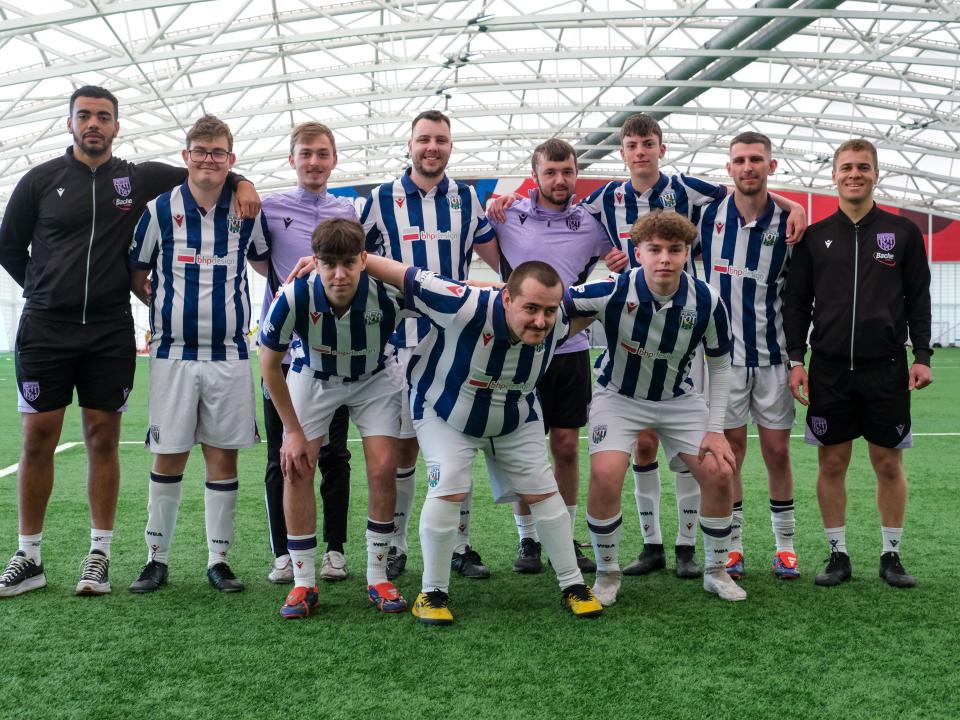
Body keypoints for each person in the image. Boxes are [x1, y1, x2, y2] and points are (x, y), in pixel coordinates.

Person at [0, 86, 258, 598]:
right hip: (46, 329)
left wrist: (246, 178)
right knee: (36, 440)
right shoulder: (41, 178)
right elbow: (9, 245)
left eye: (103, 117)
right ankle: (29, 555)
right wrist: (47, 289)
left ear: (117, 126)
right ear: (69, 122)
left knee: (101, 439)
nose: (93, 124)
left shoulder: (136, 178)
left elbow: (204, 170)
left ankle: (99, 555)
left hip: (109, 330)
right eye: (85, 116)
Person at [361, 252, 604, 624]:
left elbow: (625, 286)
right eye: (531, 308)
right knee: (451, 485)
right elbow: (401, 273)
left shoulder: (564, 315)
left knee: (543, 490)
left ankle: (572, 584)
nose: (541, 321)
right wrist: (341, 258)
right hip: (444, 411)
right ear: (507, 298)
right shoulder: (463, 303)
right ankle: (432, 592)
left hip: (514, 411)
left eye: (550, 310)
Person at [569, 211, 746, 604]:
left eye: (674, 250)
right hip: (618, 397)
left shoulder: (705, 299)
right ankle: (607, 574)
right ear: (638, 252)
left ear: (686, 254)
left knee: (719, 471)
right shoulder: (612, 289)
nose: (664, 258)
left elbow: (719, 365)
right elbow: (550, 300)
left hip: (678, 400)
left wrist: (716, 430)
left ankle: (716, 570)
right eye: (655, 249)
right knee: (605, 473)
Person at [126, 114, 269, 594]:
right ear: (186, 156)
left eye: (219, 152)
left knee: (222, 459)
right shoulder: (159, 210)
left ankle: (219, 560)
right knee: (168, 456)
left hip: (230, 355)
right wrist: (166, 309)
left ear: (231, 160)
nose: (209, 159)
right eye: (201, 151)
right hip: (173, 354)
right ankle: (155, 558)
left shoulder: (247, 211)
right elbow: (137, 272)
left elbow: (267, 263)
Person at [783, 138, 932, 589]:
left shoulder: (902, 233)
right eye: (846, 167)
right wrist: (796, 358)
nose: (854, 174)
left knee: (888, 463)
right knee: (832, 464)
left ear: (876, 174)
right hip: (828, 370)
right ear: (833, 175)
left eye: (863, 167)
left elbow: (918, 298)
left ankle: (891, 554)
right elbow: (797, 303)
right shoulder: (813, 238)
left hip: (885, 368)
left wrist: (921, 355)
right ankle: (837, 553)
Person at [361, 110, 500, 581]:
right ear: (410, 145)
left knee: (457, 445)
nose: (432, 147)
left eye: (441, 139)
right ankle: (397, 544)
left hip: (455, 343)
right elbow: (354, 255)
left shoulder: (467, 198)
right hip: (399, 344)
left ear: (450, 146)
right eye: (424, 139)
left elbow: (498, 255)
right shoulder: (381, 199)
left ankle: (460, 546)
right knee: (402, 451)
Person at [260, 219, 411, 619]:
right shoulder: (294, 296)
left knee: (382, 468)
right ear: (316, 262)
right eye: (330, 264)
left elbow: (450, 296)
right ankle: (304, 584)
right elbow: (269, 363)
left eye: (348, 262)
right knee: (296, 466)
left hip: (375, 377)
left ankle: (378, 575)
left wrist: (509, 292)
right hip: (314, 377)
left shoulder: (388, 293)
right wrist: (291, 430)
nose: (339, 274)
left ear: (364, 259)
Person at [487, 138, 610, 574]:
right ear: (535, 174)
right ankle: (528, 541)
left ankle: (565, 536)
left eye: (568, 172)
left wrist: (617, 256)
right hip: (521, 350)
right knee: (522, 448)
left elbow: (631, 245)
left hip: (571, 349)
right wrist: (495, 202)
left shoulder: (593, 223)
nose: (560, 180)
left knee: (564, 447)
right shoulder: (509, 214)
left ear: (577, 173)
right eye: (551, 172)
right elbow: (477, 231)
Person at [695, 132, 799, 580]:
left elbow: (800, 294)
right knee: (731, 453)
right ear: (729, 168)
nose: (748, 167)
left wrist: (796, 205)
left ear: (771, 167)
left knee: (777, 451)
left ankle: (786, 546)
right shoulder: (706, 218)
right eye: (740, 160)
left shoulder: (791, 222)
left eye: (757, 159)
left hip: (774, 357)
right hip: (724, 360)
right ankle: (734, 547)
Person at [259, 122, 357, 585]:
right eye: (306, 154)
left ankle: (335, 551)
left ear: (334, 159)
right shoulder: (268, 208)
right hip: (282, 354)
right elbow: (261, 264)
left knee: (335, 455)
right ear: (292, 159)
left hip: (331, 355)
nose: (314, 162)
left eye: (322, 154)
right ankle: (285, 554)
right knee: (283, 455)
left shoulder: (349, 210)